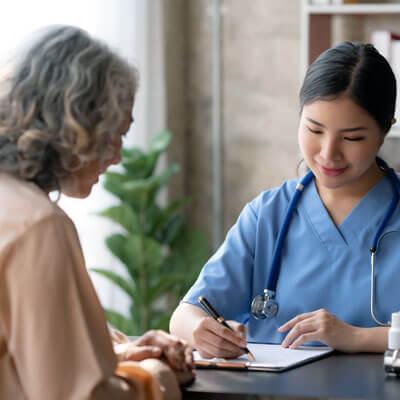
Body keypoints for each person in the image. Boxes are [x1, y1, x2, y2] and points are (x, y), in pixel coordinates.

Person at [170, 41, 400, 359]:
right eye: (314, 129)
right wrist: (202, 332)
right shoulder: (269, 214)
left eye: (352, 138)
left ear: (386, 128)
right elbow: (184, 317)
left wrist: (353, 336)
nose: (328, 153)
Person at [0, 25, 193, 400]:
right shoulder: (37, 227)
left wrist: (116, 352)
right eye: (115, 135)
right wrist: (154, 376)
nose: (118, 157)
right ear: (78, 127)